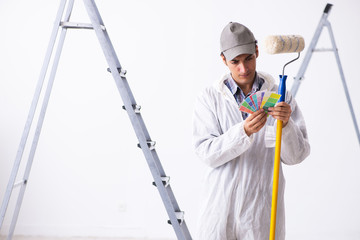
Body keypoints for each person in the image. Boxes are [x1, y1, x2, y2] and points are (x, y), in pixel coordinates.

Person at [192, 22, 310, 240]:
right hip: (220, 210)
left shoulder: (280, 95)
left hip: (260, 213)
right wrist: (243, 132)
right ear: (223, 60)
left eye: (248, 58)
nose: (243, 69)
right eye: (235, 62)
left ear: (257, 51)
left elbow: (296, 156)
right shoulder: (210, 98)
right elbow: (206, 152)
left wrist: (286, 127)